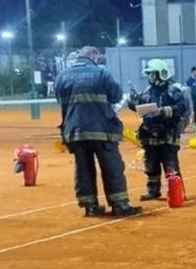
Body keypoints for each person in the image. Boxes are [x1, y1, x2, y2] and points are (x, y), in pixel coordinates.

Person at [53, 46, 142, 217]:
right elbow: (116, 96)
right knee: (112, 166)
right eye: (99, 57)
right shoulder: (102, 74)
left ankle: (90, 206)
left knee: (83, 169)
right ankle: (119, 204)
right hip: (102, 129)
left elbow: (60, 101)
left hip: (75, 131)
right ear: (93, 56)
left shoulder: (62, 76)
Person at [127, 59, 188, 201]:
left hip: (168, 133)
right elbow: (138, 108)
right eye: (149, 74)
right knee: (151, 163)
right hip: (149, 134)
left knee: (170, 164)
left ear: (161, 74)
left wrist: (163, 111)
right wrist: (134, 100)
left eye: (152, 74)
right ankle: (153, 191)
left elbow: (182, 108)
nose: (149, 77)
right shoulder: (147, 91)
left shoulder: (173, 90)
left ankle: (177, 192)